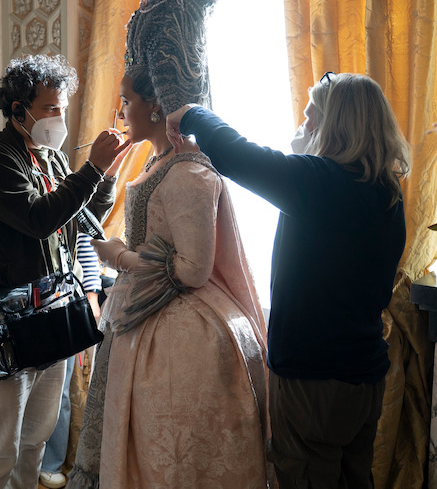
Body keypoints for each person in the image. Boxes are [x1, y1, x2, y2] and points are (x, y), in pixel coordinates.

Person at [70, 0, 272, 489]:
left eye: (126, 101)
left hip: (184, 333)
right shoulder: (160, 163)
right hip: (143, 317)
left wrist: (117, 256)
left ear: (156, 105)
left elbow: (191, 268)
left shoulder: (189, 172)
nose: (120, 111)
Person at [167, 72, 411, 488]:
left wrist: (192, 113)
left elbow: (239, 155)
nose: (303, 129)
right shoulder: (385, 193)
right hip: (363, 377)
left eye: (311, 118)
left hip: (313, 380)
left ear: (336, 126)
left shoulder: (323, 183)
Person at [0, 54, 129, 489]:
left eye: (62, 107)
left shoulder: (50, 158)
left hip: (50, 312)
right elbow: (37, 219)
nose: (60, 117)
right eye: (51, 108)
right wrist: (90, 169)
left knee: (34, 442)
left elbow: (84, 217)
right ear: (18, 110)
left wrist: (104, 176)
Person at [39, 233, 103, 489]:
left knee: (60, 391)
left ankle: (51, 462)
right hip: (33, 298)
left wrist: (92, 295)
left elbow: (86, 246)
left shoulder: (75, 206)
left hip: (64, 301)